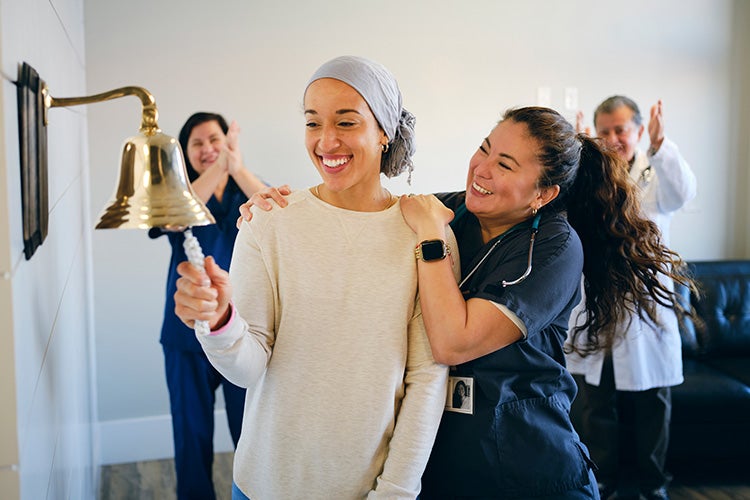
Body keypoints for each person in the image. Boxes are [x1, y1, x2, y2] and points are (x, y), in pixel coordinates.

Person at [240, 106, 693, 499]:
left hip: (526, 463)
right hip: (445, 463)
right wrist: (276, 206)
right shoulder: (452, 210)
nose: (482, 168)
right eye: (484, 148)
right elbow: (361, 214)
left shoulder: (556, 247)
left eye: (506, 164)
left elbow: (452, 342)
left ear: (543, 194)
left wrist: (433, 238)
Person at [173, 56, 452, 499]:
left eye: (346, 122)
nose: (326, 142)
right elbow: (247, 368)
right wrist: (220, 318)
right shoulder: (270, 219)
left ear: (384, 131)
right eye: (312, 123)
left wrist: (395, 492)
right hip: (262, 483)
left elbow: (426, 378)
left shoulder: (424, 233)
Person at [567, 96, 697, 500]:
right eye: (603, 131)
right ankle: (599, 481)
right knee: (594, 404)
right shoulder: (591, 175)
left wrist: (661, 147)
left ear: (639, 130)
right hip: (598, 305)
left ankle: (652, 485)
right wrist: (579, 155)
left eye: (620, 129)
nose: (612, 138)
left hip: (644, 312)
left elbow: (683, 193)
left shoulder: (655, 173)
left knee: (651, 407)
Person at [148, 111, 267, 500]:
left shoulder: (245, 189)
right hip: (185, 337)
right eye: (197, 143)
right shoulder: (175, 193)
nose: (208, 149)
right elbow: (173, 216)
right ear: (184, 153)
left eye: (215, 140)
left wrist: (238, 167)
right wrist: (221, 166)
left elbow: (279, 214)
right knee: (190, 435)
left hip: (240, 333)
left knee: (249, 434)